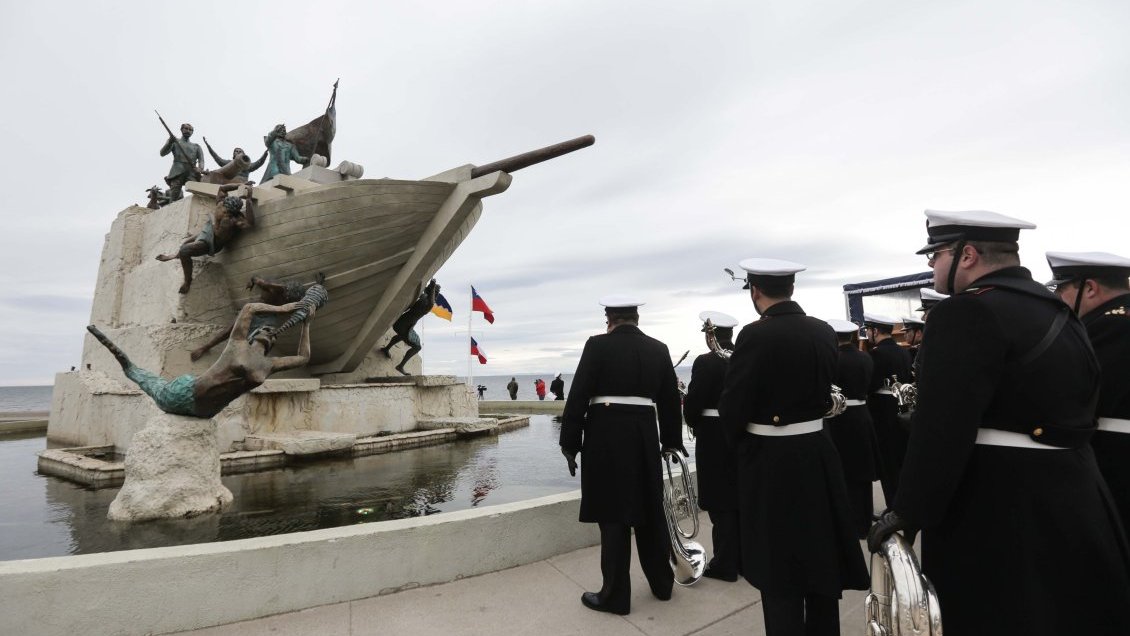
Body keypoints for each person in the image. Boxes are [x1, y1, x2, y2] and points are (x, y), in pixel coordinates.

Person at [869, 210, 1130, 635]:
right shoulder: (1059, 311)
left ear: (966, 255)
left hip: (998, 506)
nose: (931, 264)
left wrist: (908, 511)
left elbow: (942, 427)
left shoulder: (966, 312)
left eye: (936, 253)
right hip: (1076, 495)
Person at [718, 259, 868, 636]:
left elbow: (733, 406)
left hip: (772, 463)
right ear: (792, 290)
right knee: (820, 558)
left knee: (778, 568)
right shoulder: (822, 331)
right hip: (818, 452)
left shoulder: (754, 335)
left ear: (755, 292)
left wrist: (740, 446)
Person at [559, 295, 683, 616]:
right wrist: (671, 442)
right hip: (645, 435)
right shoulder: (659, 348)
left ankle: (615, 596)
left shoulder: (597, 345)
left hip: (606, 437)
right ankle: (662, 584)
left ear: (609, 319)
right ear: (637, 319)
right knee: (650, 512)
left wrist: (570, 444)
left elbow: (578, 396)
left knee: (614, 516)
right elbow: (670, 401)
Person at [86, 298, 316, 418]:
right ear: (253, 335)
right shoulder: (236, 344)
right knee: (138, 374)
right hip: (184, 394)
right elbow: (249, 309)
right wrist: (284, 309)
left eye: (272, 336)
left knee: (144, 378)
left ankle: (112, 348)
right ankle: (108, 343)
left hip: (207, 412)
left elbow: (303, 358)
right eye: (266, 330)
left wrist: (306, 323)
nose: (271, 334)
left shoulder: (269, 365)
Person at [1047, 251, 1130, 530]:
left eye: (1062, 288)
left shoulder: (1109, 326)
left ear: (1090, 288)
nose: (1059, 298)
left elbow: (1076, 394)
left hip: (1115, 458)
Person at [682, 310, 741, 581]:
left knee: (720, 501)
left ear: (710, 335)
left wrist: (689, 414)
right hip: (742, 433)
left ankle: (726, 564)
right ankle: (743, 558)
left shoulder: (706, 362)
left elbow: (695, 405)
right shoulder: (744, 357)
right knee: (740, 497)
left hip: (715, 436)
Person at [823, 318, 880, 539]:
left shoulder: (833, 360)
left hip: (840, 418)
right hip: (862, 416)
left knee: (844, 472)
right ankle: (864, 519)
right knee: (862, 472)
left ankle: (850, 522)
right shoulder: (865, 357)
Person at [155, 184, 255, 294]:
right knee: (185, 243)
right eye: (224, 209)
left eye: (227, 212)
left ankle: (187, 281)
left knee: (185, 251)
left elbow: (250, 223)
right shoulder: (221, 203)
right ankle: (173, 255)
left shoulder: (235, 220)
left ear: (234, 212)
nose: (224, 212)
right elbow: (222, 188)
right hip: (208, 230)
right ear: (224, 203)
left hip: (213, 243)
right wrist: (240, 185)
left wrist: (249, 200)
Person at [189, 275, 309, 361]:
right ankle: (205, 348)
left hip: (269, 316)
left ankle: (251, 360)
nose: (287, 301)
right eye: (287, 299)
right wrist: (252, 282)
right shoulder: (273, 287)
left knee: (262, 339)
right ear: (285, 292)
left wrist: (319, 286)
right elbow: (256, 279)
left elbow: (305, 302)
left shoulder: (289, 296)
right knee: (230, 330)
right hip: (255, 310)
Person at [863, 313, 913, 503]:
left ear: (875, 331)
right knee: (902, 459)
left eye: (868, 330)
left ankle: (893, 504)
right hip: (902, 407)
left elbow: (871, 384)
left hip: (882, 412)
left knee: (887, 463)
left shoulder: (876, 354)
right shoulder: (904, 352)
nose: (867, 334)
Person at [379, 280, 439, 375]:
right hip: (404, 326)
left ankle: (386, 348)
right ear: (433, 294)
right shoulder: (428, 305)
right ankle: (400, 366)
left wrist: (431, 287)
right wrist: (433, 288)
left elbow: (423, 292)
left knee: (403, 336)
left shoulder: (422, 297)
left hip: (399, 322)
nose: (436, 297)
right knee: (417, 346)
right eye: (436, 294)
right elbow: (432, 302)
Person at [160, 123, 204, 201]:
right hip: (177, 171)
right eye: (186, 129)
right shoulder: (174, 141)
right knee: (174, 196)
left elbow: (201, 160)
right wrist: (170, 142)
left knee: (199, 192)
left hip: (191, 172)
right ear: (181, 129)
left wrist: (200, 168)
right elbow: (162, 153)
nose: (188, 131)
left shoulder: (196, 146)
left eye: (190, 130)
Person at [203, 137, 269, 182]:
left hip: (242, 183)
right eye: (236, 151)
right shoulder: (229, 163)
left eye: (240, 151)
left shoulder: (247, 165)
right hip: (229, 183)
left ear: (243, 154)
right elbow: (218, 159)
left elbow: (259, 163)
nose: (238, 152)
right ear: (234, 154)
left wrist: (265, 154)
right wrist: (208, 147)